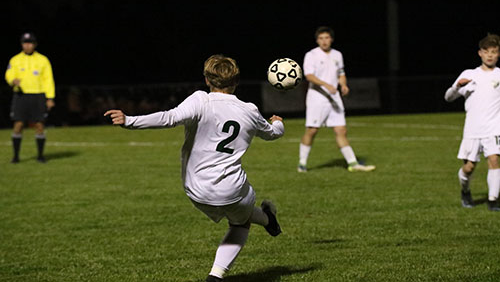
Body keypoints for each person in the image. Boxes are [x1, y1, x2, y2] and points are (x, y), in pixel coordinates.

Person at [104, 55, 284, 282]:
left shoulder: (201, 100)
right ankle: (217, 275)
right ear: (236, 81)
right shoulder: (249, 110)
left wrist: (129, 121)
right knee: (241, 221)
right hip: (232, 189)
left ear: (208, 80)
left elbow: (169, 118)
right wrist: (277, 122)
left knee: (241, 214)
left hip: (196, 189)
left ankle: (269, 222)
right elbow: (274, 133)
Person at [298, 26, 375, 173]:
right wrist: (327, 85)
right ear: (317, 40)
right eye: (321, 38)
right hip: (317, 98)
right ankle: (302, 163)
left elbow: (341, 73)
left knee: (341, 130)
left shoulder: (337, 55)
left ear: (331, 39)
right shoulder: (311, 55)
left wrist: (343, 85)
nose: (324, 41)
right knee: (312, 130)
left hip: (334, 98)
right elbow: (309, 76)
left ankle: (353, 163)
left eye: (327, 38)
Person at [444, 33, 500, 211]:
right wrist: (457, 86)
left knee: (494, 160)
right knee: (468, 168)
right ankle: (465, 190)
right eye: (486, 51)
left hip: (494, 128)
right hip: (473, 130)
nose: (490, 55)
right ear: (480, 53)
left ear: (498, 54)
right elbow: (448, 98)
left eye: (494, 52)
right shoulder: (469, 74)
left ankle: (493, 200)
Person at [5, 32, 55, 163]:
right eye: (25, 43)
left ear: (35, 44)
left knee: (39, 125)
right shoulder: (15, 59)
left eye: (30, 43)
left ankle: (40, 155)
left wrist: (50, 98)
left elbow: (48, 80)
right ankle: (16, 156)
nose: (27, 45)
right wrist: (12, 80)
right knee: (18, 124)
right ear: (22, 44)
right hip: (21, 96)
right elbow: (9, 74)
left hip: (38, 95)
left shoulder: (43, 60)